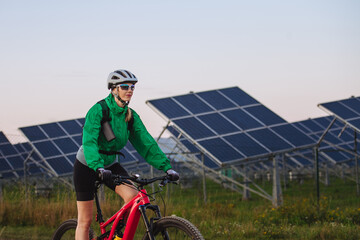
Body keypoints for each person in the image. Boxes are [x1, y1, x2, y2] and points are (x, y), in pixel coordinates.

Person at [73, 69, 179, 240]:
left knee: (133, 197)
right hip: (87, 165)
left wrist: (167, 168)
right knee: (84, 221)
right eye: (124, 86)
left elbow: (146, 143)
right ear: (114, 89)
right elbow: (89, 141)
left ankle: (115, 234)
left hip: (109, 165)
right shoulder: (99, 110)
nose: (129, 90)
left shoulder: (130, 116)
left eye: (132, 87)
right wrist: (97, 166)